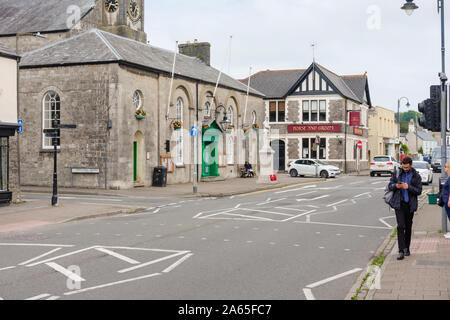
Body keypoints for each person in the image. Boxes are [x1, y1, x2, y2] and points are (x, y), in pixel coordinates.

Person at [388, 156, 423, 260]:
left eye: (407, 167)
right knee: (400, 226)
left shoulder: (416, 175)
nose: (405, 169)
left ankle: (407, 247)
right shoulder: (397, 173)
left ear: (411, 165)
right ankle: (401, 251)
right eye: (404, 167)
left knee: (408, 227)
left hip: (410, 204)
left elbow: (419, 191)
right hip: (399, 203)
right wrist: (396, 186)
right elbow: (390, 185)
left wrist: (409, 187)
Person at [441, 163, 450, 239]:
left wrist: (449, 201)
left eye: (446, 167)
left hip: (448, 200)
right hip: (446, 200)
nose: (445, 169)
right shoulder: (449, 177)